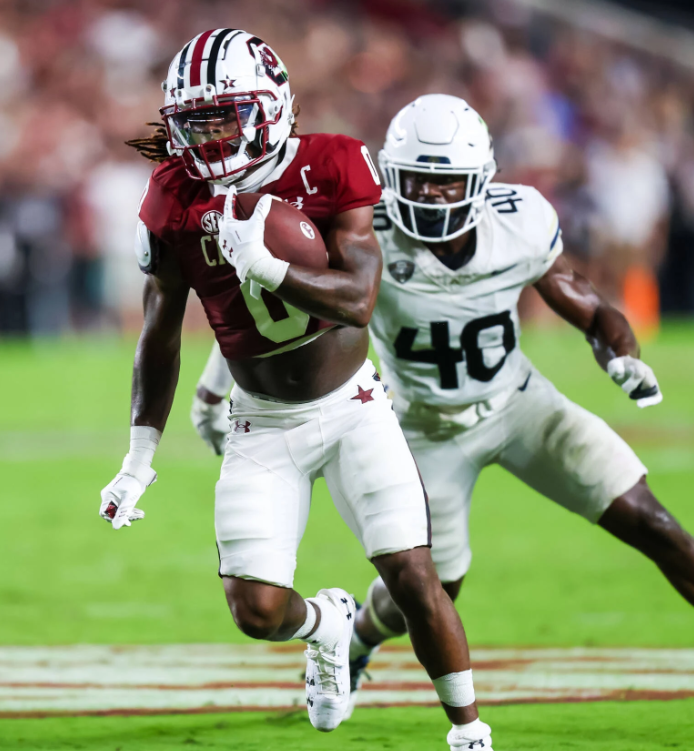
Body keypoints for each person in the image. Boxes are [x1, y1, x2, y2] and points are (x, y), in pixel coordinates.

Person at [191, 93, 694, 720]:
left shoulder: (519, 221)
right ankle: (360, 636)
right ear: (390, 176)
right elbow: (269, 311)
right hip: (423, 428)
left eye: (447, 184)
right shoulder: (363, 230)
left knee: (653, 522)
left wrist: (619, 354)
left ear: (480, 181)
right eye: (417, 181)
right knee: (429, 589)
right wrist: (212, 384)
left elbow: (582, 300)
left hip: (520, 405)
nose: (432, 197)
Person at [108, 32, 493, 749]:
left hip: (353, 407)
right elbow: (159, 334)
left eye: (227, 118)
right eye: (197, 124)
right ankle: (328, 624)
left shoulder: (334, 163)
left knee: (413, 572)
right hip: (262, 421)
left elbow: (359, 298)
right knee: (255, 610)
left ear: (273, 104)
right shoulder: (171, 195)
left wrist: (268, 266)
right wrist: (138, 458)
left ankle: (469, 729)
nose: (212, 138)